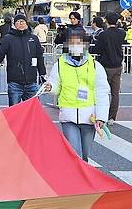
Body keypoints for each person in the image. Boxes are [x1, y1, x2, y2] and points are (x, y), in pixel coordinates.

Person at [43, 28, 110, 162]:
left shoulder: (96, 66)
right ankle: (76, 181)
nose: (76, 46)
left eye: (79, 43)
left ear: (85, 44)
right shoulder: (59, 65)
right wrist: (50, 87)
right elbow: (56, 85)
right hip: (68, 116)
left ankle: (83, 179)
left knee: (85, 155)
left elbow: (102, 92)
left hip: (89, 117)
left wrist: (101, 117)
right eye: (72, 43)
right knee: (75, 154)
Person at [0, 14, 46, 105]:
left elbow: (39, 57)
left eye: (23, 22)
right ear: (14, 25)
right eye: (18, 22)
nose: (21, 24)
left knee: (34, 111)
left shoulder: (33, 39)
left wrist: (42, 74)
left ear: (26, 23)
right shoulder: (8, 39)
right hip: (15, 83)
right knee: (14, 113)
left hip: (31, 82)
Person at [89, 12, 125, 125]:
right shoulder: (122, 33)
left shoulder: (104, 34)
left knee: (101, 91)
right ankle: (112, 117)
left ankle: (100, 115)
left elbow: (98, 49)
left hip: (105, 65)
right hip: (118, 65)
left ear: (106, 21)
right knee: (115, 93)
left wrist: (90, 50)